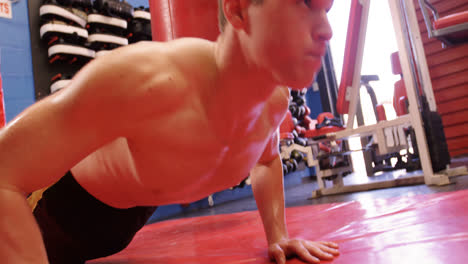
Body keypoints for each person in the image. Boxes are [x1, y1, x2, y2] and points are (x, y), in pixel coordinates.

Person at [0, 0, 339, 263]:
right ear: (238, 9)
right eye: (305, 4)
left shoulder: (273, 104)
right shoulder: (146, 79)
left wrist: (277, 235)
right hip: (47, 213)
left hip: (114, 228)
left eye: (327, 10)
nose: (327, 30)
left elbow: (265, 161)